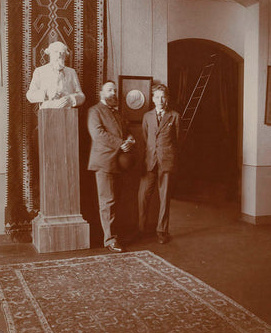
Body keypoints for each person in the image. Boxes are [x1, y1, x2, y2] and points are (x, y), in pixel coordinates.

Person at [87, 81, 135, 253]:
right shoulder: (94, 111)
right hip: (104, 162)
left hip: (119, 162)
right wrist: (122, 143)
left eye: (115, 90)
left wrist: (130, 140)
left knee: (115, 201)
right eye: (109, 90)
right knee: (107, 202)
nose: (113, 93)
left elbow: (126, 130)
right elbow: (98, 134)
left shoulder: (117, 113)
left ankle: (113, 235)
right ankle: (109, 240)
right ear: (101, 93)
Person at [138, 84, 180, 244]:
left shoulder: (174, 116)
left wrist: (168, 154)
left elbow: (177, 140)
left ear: (167, 98)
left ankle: (162, 231)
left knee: (164, 197)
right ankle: (141, 229)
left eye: (163, 97)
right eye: (156, 97)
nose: (160, 100)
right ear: (153, 99)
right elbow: (145, 137)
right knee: (143, 196)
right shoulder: (147, 116)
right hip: (150, 161)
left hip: (167, 162)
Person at [26, 41, 85, 108]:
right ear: (50, 54)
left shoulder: (71, 72)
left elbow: (81, 96)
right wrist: (46, 94)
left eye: (62, 53)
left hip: (68, 114)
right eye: (56, 52)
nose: (59, 55)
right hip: (47, 114)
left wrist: (71, 99)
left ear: (65, 56)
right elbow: (30, 95)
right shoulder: (40, 71)